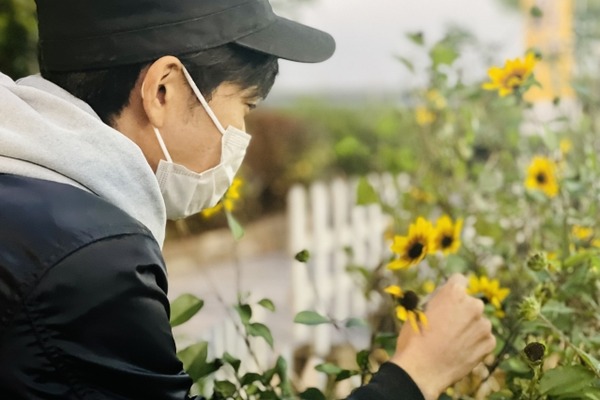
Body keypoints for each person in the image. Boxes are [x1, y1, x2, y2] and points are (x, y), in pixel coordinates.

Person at [0, 0, 495, 399]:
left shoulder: (26, 190)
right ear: (164, 90)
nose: (242, 134)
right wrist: (415, 376)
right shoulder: (91, 263)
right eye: (244, 107)